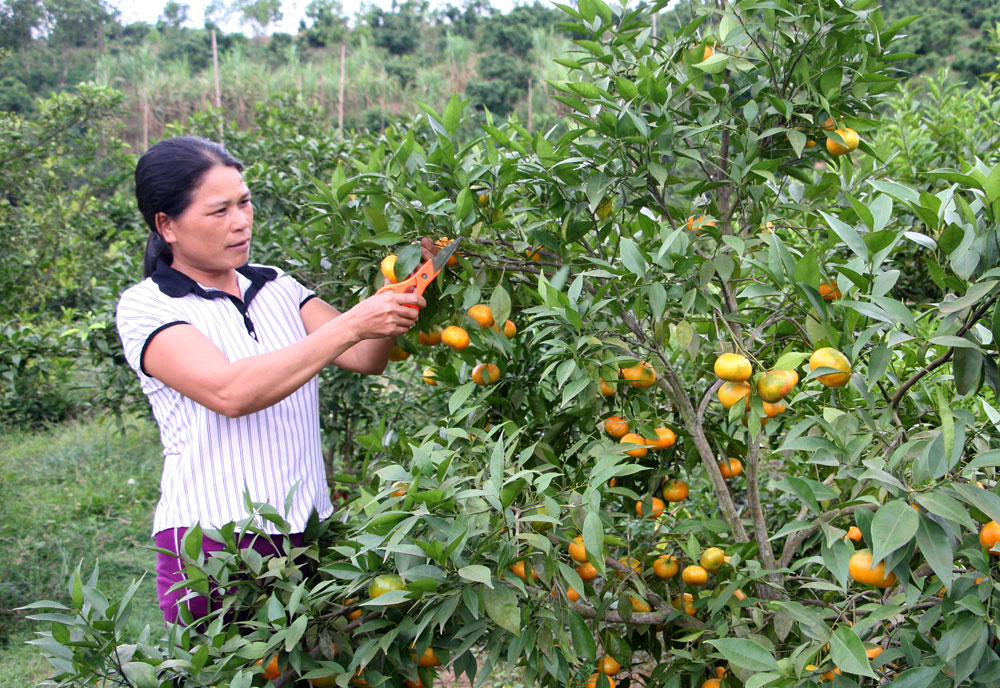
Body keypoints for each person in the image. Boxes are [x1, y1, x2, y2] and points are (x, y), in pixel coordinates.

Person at [116, 136, 430, 625]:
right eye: (219, 211)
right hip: (215, 547)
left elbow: (366, 355)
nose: (241, 221)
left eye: (244, 202)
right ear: (167, 225)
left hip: (307, 534)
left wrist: (402, 286)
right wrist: (352, 322)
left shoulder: (276, 286)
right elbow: (230, 392)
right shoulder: (148, 306)